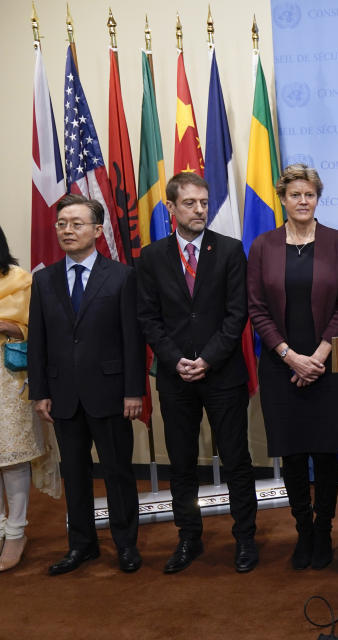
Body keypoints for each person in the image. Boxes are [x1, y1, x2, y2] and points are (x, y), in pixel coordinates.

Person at [137, 172, 258, 574]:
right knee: (183, 464)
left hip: (222, 374)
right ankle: (189, 537)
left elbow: (236, 314)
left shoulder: (229, 250)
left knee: (237, 460)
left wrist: (206, 359)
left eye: (203, 202)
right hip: (175, 379)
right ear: (170, 208)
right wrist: (176, 361)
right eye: (189, 203)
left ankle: (245, 539)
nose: (199, 210)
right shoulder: (152, 257)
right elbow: (149, 319)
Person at [247, 164, 338, 570]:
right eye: (295, 195)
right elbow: (256, 308)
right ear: (283, 198)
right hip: (281, 366)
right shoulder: (263, 246)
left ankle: (324, 529)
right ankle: (303, 531)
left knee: (325, 453)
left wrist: (318, 356)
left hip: (328, 363)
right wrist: (289, 355)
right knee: (292, 454)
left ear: (317, 198)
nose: (303, 201)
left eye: (309, 195)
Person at [28, 195, 144, 575]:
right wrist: (40, 391)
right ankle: (82, 545)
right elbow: (38, 341)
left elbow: (132, 339)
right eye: (61, 223)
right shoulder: (44, 280)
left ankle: (126, 544)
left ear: (97, 230)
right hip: (63, 396)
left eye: (76, 223)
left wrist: (133, 391)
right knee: (74, 476)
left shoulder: (123, 276)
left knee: (117, 473)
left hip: (111, 393)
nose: (67, 230)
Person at [0, 226, 56, 572]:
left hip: (9, 379)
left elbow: (36, 329)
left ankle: (16, 531)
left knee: (11, 456)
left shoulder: (19, 280)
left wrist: (8, 325)